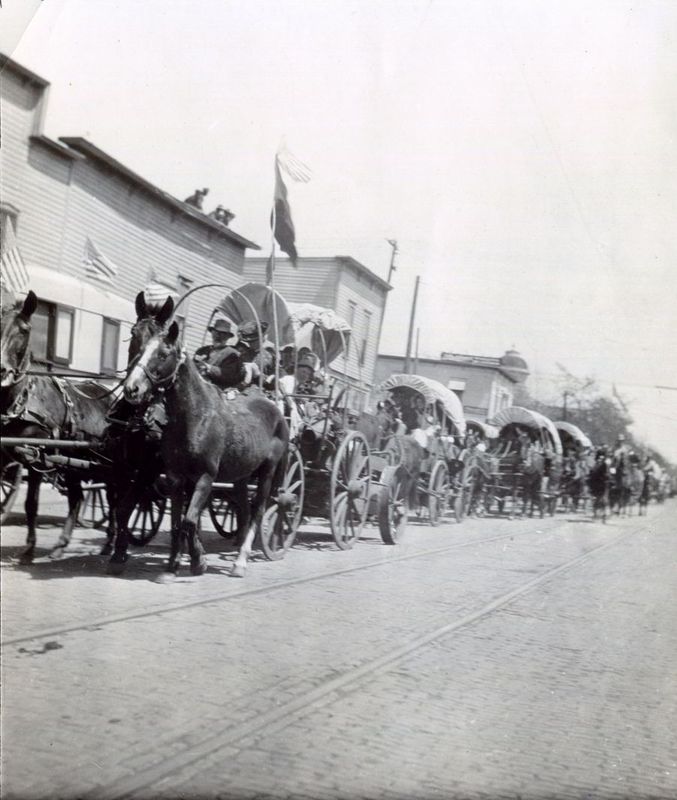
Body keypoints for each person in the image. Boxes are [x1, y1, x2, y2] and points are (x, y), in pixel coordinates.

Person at [193, 318, 244, 389]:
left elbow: (228, 375)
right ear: (212, 333)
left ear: (228, 337)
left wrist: (208, 368)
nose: (218, 337)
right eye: (216, 333)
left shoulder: (232, 354)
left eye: (223, 335)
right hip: (196, 386)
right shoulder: (202, 350)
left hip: (217, 390)